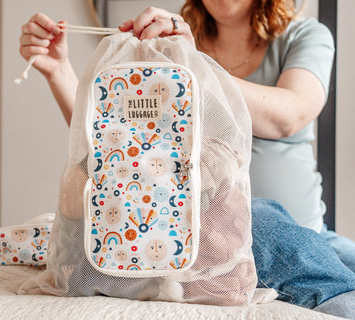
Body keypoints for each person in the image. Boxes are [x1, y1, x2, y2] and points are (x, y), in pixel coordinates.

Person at [18, 1, 355, 317]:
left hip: (299, 231)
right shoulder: (170, 44)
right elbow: (113, 146)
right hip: (204, 236)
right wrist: (58, 71)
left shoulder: (304, 35)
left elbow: (289, 116)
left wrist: (193, 62)